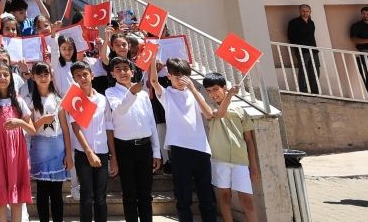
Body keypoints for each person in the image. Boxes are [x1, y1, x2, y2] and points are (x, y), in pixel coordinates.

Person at [149, 57, 217, 222]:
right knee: (183, 196)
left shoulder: (194, 94)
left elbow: (209, 114)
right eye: (177, 76)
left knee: (207, 196)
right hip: (179, 150)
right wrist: (152, 60)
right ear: (169, 76)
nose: (181, 80)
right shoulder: (166, 94)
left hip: (201, 149)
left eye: (185, 76)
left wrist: (193, 89)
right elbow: (153, 81)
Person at [105, 56, 159, 222]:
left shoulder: (143, 94)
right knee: (129, 194)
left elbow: (151, 122)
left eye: (125, 68)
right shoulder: (110, 92)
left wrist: (156, 151)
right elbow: (120, 110)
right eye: (118, 69)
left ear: (132, 72)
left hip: (144, 147)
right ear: (112, 74)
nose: (122, 72)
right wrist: (132, 93)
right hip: (124, 148)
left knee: (145, 194)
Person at [0, 58, 35, 222]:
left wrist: (19, 122)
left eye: (5, 74)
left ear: (11, 77)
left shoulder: (18, 100)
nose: (2, 78)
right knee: (1, 193)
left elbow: (32, 129)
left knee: (16, 193)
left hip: (17, 150)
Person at [202, 73, 259, 222]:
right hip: (219, 160)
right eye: (209, 91)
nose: (213, 94)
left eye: (216, 89)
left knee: (247, 200)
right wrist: (230, 95)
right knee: (224, 197)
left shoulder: (239, 110)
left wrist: (253, 166)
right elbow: (219, 114)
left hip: (240, 160)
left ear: (224, 88)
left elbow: (249, 139)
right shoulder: (208, 108)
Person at [25, 62, 72, 222]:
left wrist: (68, 154)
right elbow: (29, 128)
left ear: (51, 77)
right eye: (39, 75)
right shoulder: (30, 100)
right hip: (40, 148)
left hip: (57, 148)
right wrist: (42, 121)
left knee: (57, 192)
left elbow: (65, 128)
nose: (43, 78)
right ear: (33, 77)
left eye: (46, 74)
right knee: (42, 191)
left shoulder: (58, 99)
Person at [66, 61, 111, 222]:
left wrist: (113, 155)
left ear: (92, 75)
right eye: (78, 76)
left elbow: (108, 126)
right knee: (86, 196)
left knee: (101, 197)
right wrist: (89, 153)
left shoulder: (103, 99)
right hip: (83, 153)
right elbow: (76, 127)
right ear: (74, 79)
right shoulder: (74, 98)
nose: (82, 78)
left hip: (102, 151)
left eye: (85, 74)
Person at [285, 4, 320, 94]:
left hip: (313, 50)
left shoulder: (311, 23)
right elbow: (290, 36)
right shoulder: (293, 22)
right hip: (302, 50)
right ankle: (303, 91)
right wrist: (298, 47)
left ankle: (315, 91)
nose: (305, 13)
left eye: (307, 11)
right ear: (300, 11)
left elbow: (312, 36)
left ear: (310, 12)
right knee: (303, 70)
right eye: (303, 11)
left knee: (315, 70)